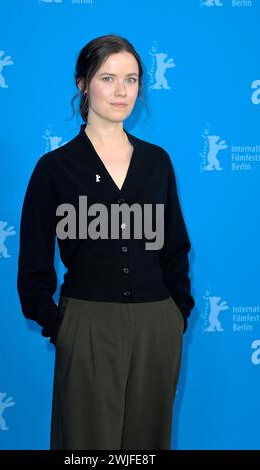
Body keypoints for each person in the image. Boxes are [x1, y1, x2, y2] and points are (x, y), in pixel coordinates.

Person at [17, 34, 195, 450]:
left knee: (147, 447)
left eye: (131, 80)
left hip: (157, 325)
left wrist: (177, 313)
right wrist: (57, 323)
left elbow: (174, 247)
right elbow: (33, 260)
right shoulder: (55, 167)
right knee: (86, 446)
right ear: (83, 83)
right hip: (88, 323)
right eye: (108, 78)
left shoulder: (157, 162)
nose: (121, 92)